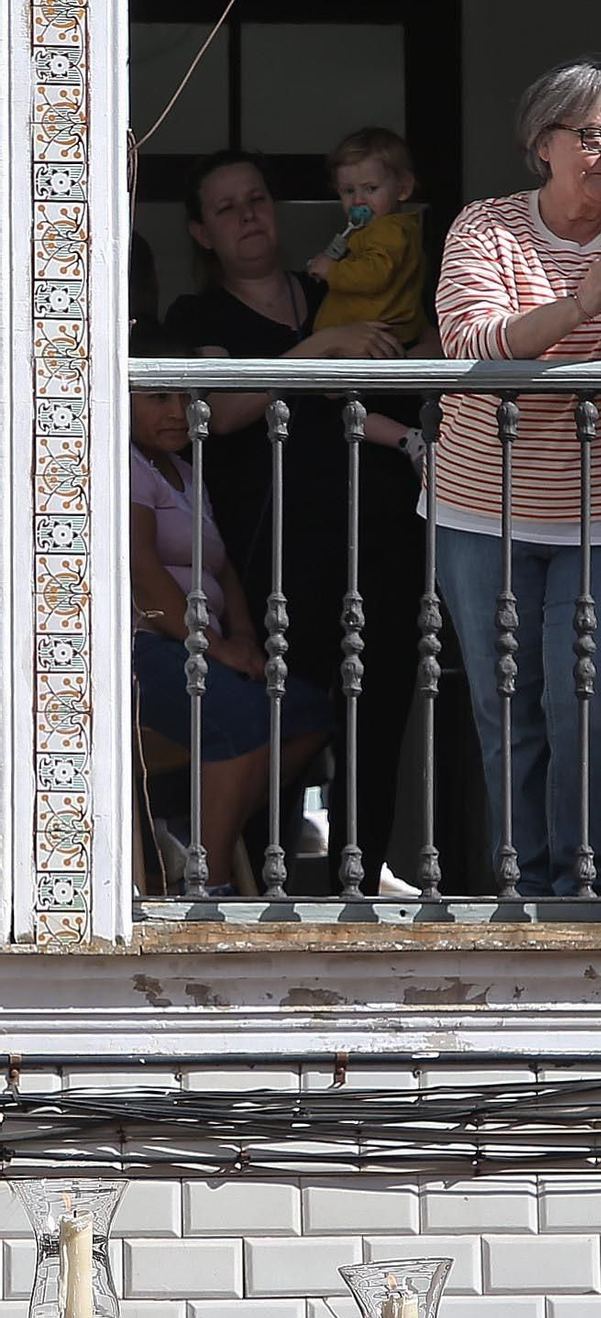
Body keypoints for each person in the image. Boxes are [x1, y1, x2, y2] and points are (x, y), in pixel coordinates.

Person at [433, 57, 601, 896]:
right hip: (484, 507)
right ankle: (521, 884)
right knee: (506, 708)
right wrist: (579, 306)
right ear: (541, 142)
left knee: (591, 710)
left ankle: (586, 885)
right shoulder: (485, 228)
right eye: (592, 134)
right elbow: (471, 342)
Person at [162, 149, 424, 892]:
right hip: (272, 545)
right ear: (203, 233)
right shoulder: (201, 316)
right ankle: (253, 880)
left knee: (381, 703)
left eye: (258, 199)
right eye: (227, 207)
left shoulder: (332, 287)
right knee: (290, 705)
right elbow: (209, 412)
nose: (248, 215)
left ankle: (362, 875)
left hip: (379, 525)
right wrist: (321, 349)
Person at [128, 323, 330, 891]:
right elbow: (144, 577)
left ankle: (196, 830)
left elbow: (222, 572)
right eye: (158, 396)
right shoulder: (126, 467)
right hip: (150, 647)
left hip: (202, 648)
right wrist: (214, 649)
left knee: (307, 714)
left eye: (187, 397)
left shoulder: (188, 472)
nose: (176, 411)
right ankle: (209, 882)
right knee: (245, 724)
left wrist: (246, 639)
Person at [307, 126, 427, 347]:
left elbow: (375, 274)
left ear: (403, 189)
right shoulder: (370, 231)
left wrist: (332, 271)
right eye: (348, 191)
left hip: (378, 338)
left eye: (370, 189)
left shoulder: (391, 231)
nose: (358, 201)